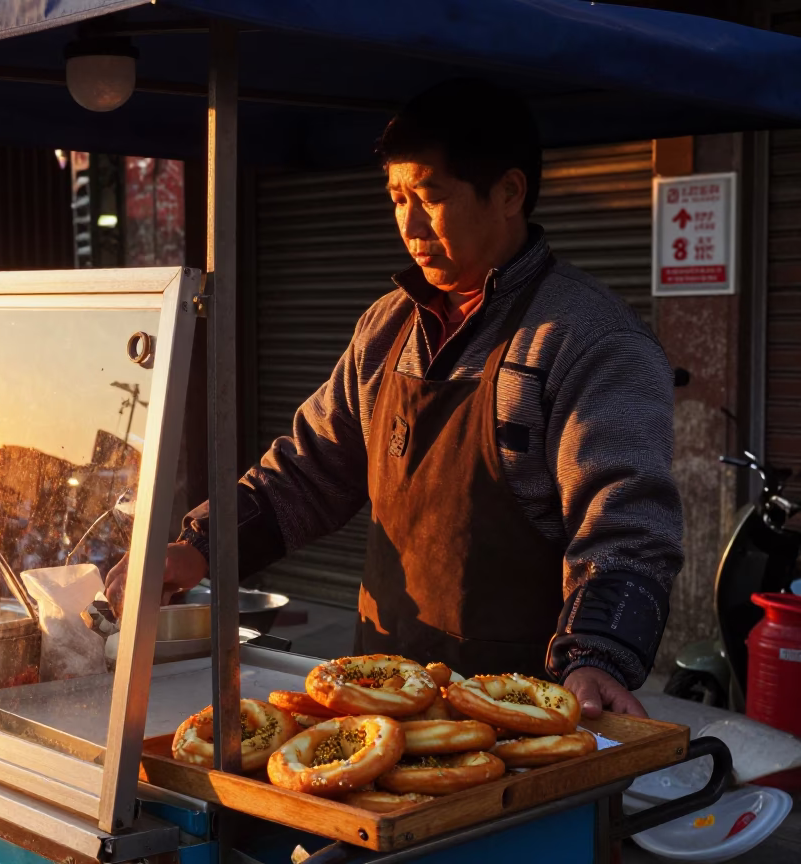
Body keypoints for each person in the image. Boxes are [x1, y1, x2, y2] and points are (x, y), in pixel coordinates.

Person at [106, 78, 682, 719]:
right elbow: (309, 470)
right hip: (381, 693)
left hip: (524, 715)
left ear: (509, 192)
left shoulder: (590, 340)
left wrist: (598, 658)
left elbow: (626, 525)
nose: (408, 224)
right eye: (397, 198)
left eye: (431, 197)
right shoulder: (387, 327)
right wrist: (198, 547)